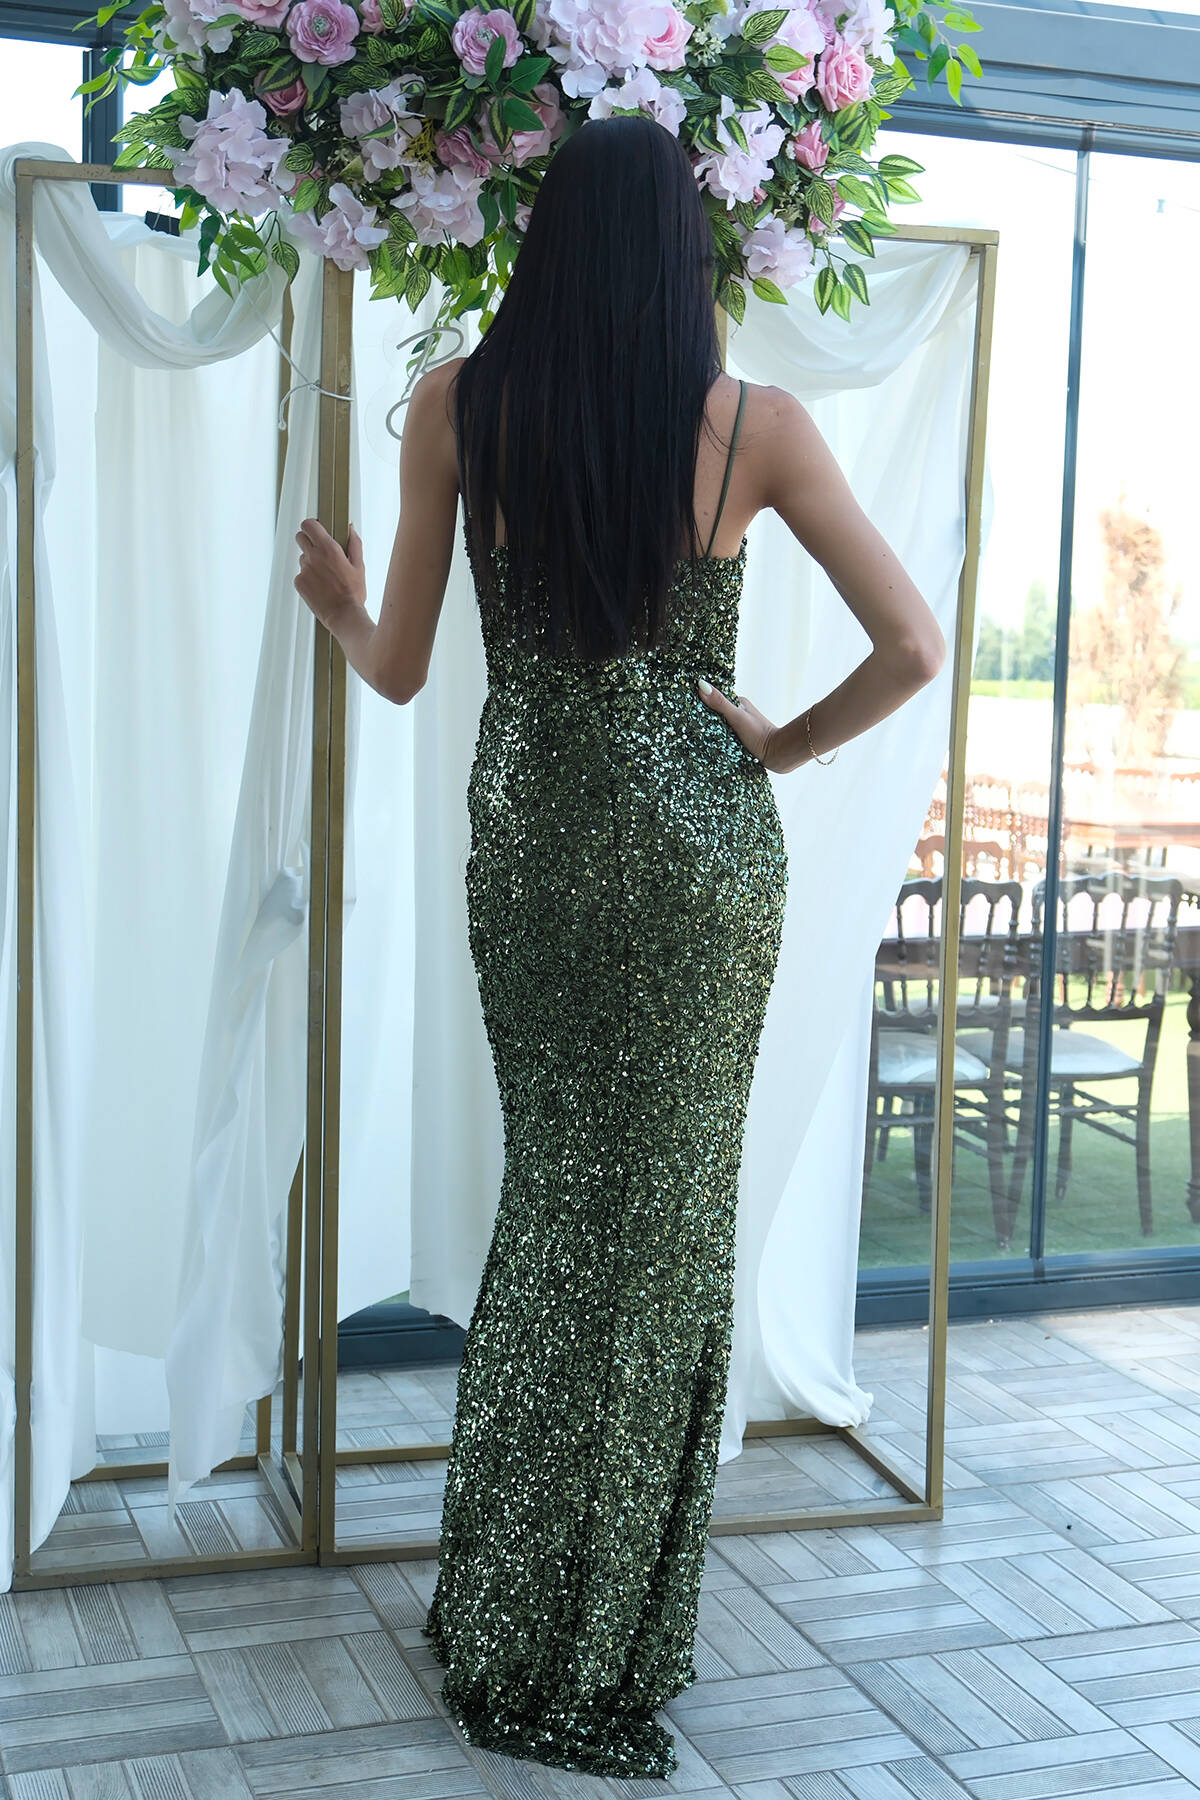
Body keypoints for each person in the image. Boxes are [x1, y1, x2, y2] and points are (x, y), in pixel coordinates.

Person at [294, 114, 944, 1781]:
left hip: (539, 852)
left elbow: (399, 670)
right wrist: (780, 746)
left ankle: (511, 1608)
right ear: (684, 253)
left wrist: (339, 598)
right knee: (663, 1241)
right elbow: (914, 645)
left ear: (549, 243)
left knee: (559, 1212)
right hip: (705, 866)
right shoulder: (756, 428)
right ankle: (603, 1634)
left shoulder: (462, 403)